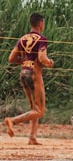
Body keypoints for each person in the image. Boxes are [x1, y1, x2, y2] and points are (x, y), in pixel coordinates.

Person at [6, 12, 53, 145]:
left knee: (34, 107)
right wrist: (49, 62)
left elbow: (11, 58)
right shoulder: (42, 39)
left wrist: (23, 62)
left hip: (23, 73)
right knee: (40, 111)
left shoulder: (22, 39)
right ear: (40, 23)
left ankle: (32, 137)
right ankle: (12, 121)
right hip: (34, 75)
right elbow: (42, 58)